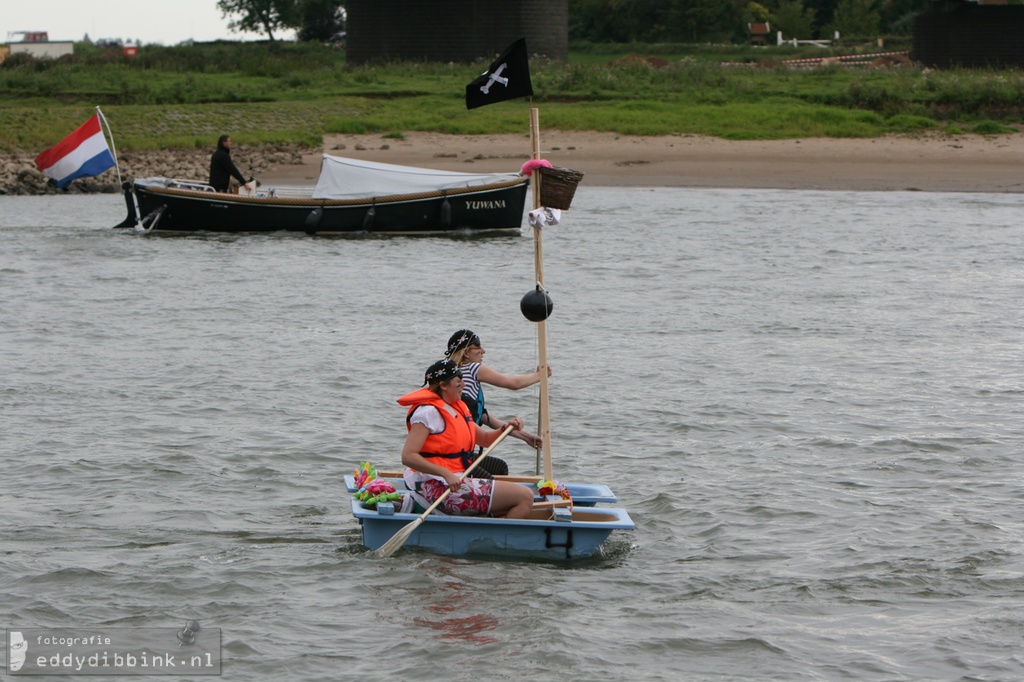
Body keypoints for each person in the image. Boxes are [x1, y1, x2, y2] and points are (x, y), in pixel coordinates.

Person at [398, 359, 535, 519]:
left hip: (455, 479)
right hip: (436, 484)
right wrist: (446, 474)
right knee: (525, 496)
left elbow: (485, 439)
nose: (463, 385)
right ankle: (499, 542)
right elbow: (408, 456)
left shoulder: (458, 407)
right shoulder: (428, 413)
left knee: (516, 498)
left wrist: (506, 428)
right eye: (458, 381)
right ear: (443, 385)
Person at [445, 328, 550, 459]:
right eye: (478, 347)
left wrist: (526, 437)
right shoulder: (472, 368)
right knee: (499, 468)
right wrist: (539, 376)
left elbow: (489, 420)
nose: (483, 351)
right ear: (466, 353)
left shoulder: (453, 376)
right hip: (457, 452)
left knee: (499, 467)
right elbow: (513, 384)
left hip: (455, 448)